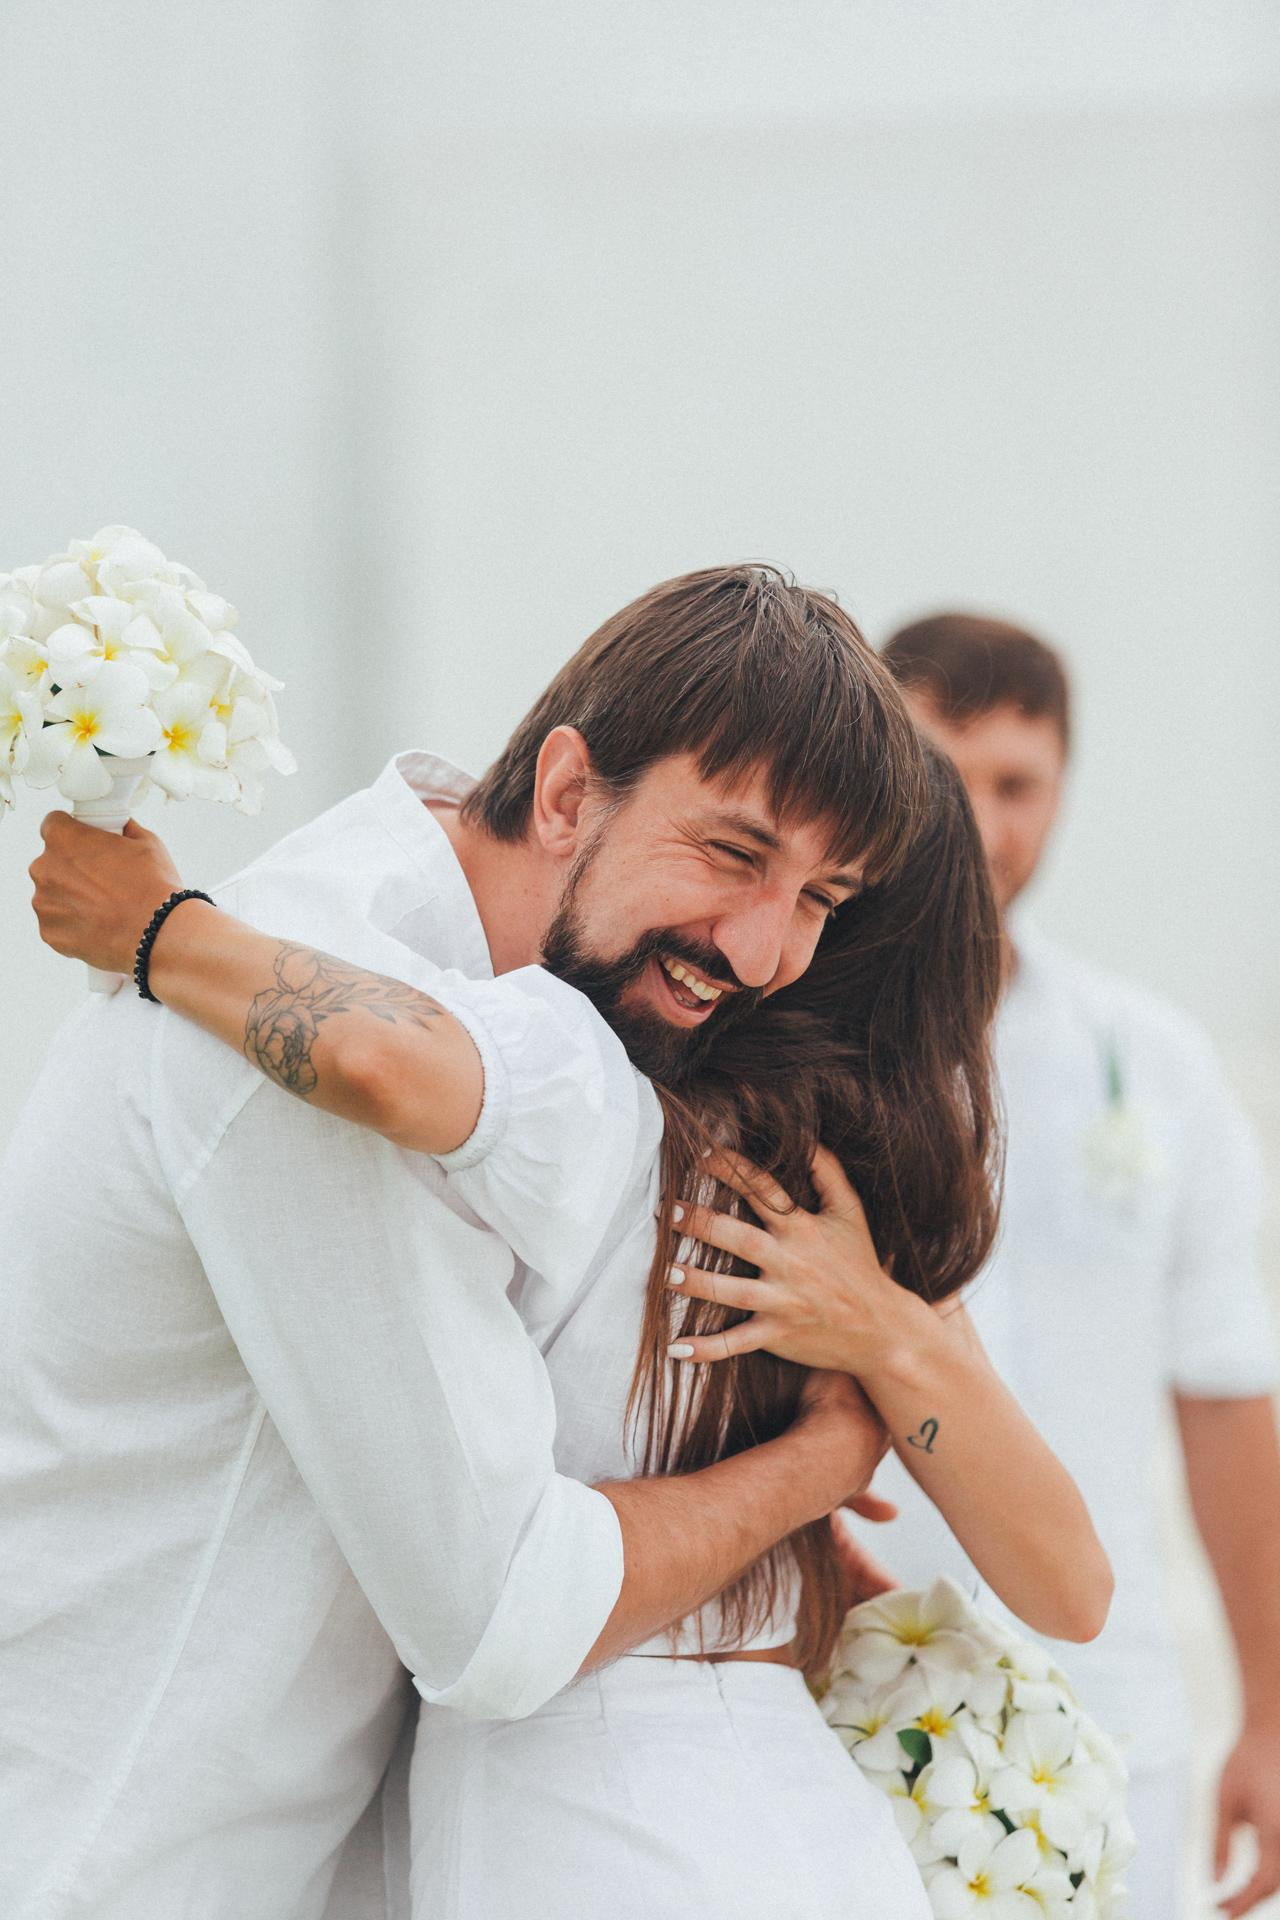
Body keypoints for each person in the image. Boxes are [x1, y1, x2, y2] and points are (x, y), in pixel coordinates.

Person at [30, 731, 1112, 1919]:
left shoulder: (595, 1090)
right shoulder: (840, 1199)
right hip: (780, 1797)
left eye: (806, 891)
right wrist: (853, 1407)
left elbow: (384, 1057)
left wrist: (166, 930)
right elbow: (1066, 1591)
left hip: (576, 1789)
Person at [875, 612, 1280, 1920]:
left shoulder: (1150, 1061)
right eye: (946, 770)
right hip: (848, 1699)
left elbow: (1227, 1400)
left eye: (1018, 785)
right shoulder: (789, 1044)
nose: (984, 825)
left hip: (1106, 1707)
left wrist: (1271, 1715)